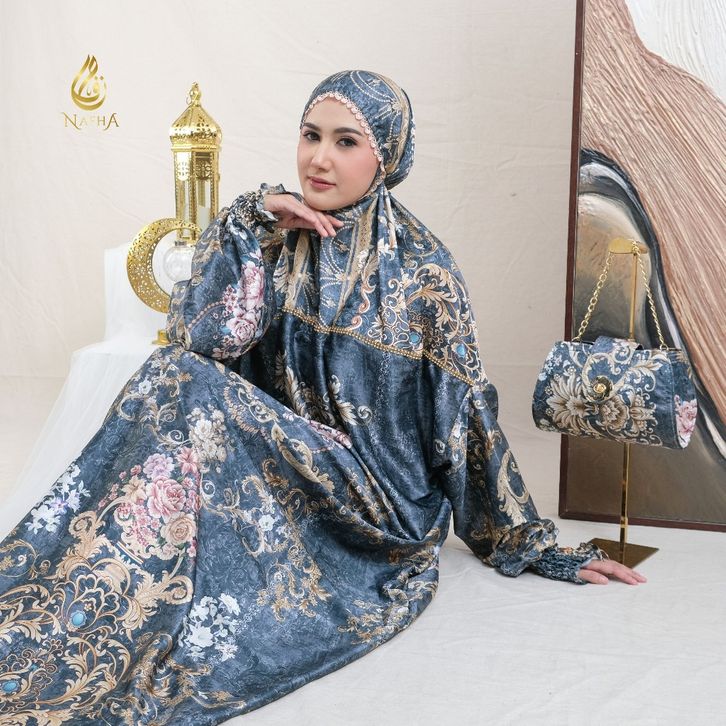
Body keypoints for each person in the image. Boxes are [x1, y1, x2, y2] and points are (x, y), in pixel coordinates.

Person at [0, 70, 644, 724]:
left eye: (346, 142)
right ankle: (95, 588)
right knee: (175, 372)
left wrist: (526, 542)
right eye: (311, 136)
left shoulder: (424, 273)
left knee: (180, 380)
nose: (319, 159)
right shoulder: (275, 238)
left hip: (370, 504)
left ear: (385, 159)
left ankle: (107, 595)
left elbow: (466, 419)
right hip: (279, 465)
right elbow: (201, 340)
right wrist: (250, 222)